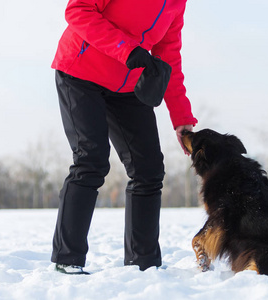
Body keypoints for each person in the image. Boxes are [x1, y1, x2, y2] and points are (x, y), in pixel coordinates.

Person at [50, 0, 197, 275]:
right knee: (90, 160)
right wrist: (126, 49)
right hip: (81, 72)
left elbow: (169, 58)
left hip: (128, 85)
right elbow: (77, 11)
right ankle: (67, 259)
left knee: (149, 168)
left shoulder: (177, 3)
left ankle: (143, 263)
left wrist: (181, 116)